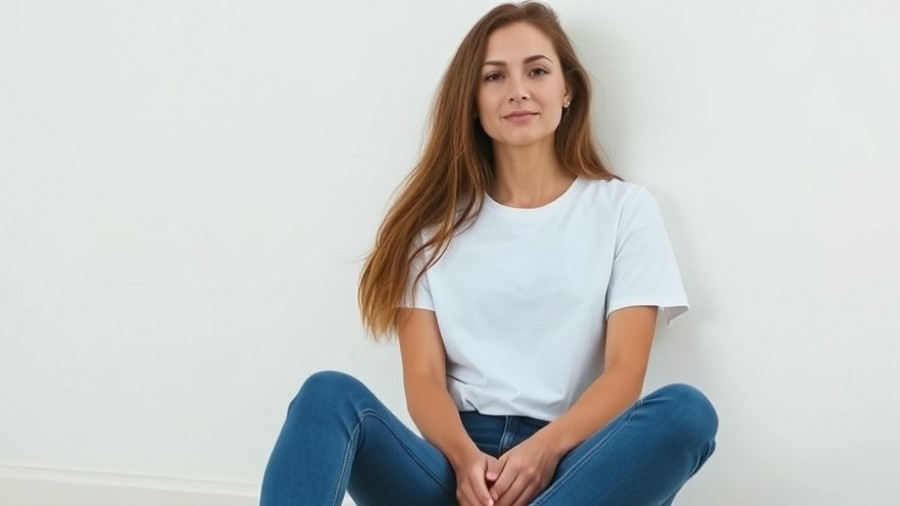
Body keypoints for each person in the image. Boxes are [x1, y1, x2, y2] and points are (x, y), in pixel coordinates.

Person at [260, 2, 717, 505]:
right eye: (494, 77)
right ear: (473, 101)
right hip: (457, 472)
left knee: (687, 413)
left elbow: (624, 372)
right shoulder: (431, 228)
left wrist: (544, 451)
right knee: (326, 395)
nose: (518, 90)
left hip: (573, 466)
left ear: (567, 90)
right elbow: (425, 378)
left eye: (537, 71)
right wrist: (464, 461)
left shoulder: (624, 209)